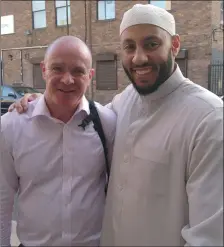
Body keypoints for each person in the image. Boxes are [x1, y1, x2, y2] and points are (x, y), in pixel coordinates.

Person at [8, 4, 223, 246]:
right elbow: (77, 113)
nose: (139, 57)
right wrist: (43, 100)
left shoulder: (208, 118)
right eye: (129, 46)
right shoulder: (124, 102)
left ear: (174, 45)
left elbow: (210, 235)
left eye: (151, 44)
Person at [0, 36, 116, 246]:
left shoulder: (106, 122)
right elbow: (2, 199)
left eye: (78, 71)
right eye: (57, 69)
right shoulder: (11, 126)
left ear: (90, 76)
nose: (67, 79)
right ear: (44, 70)